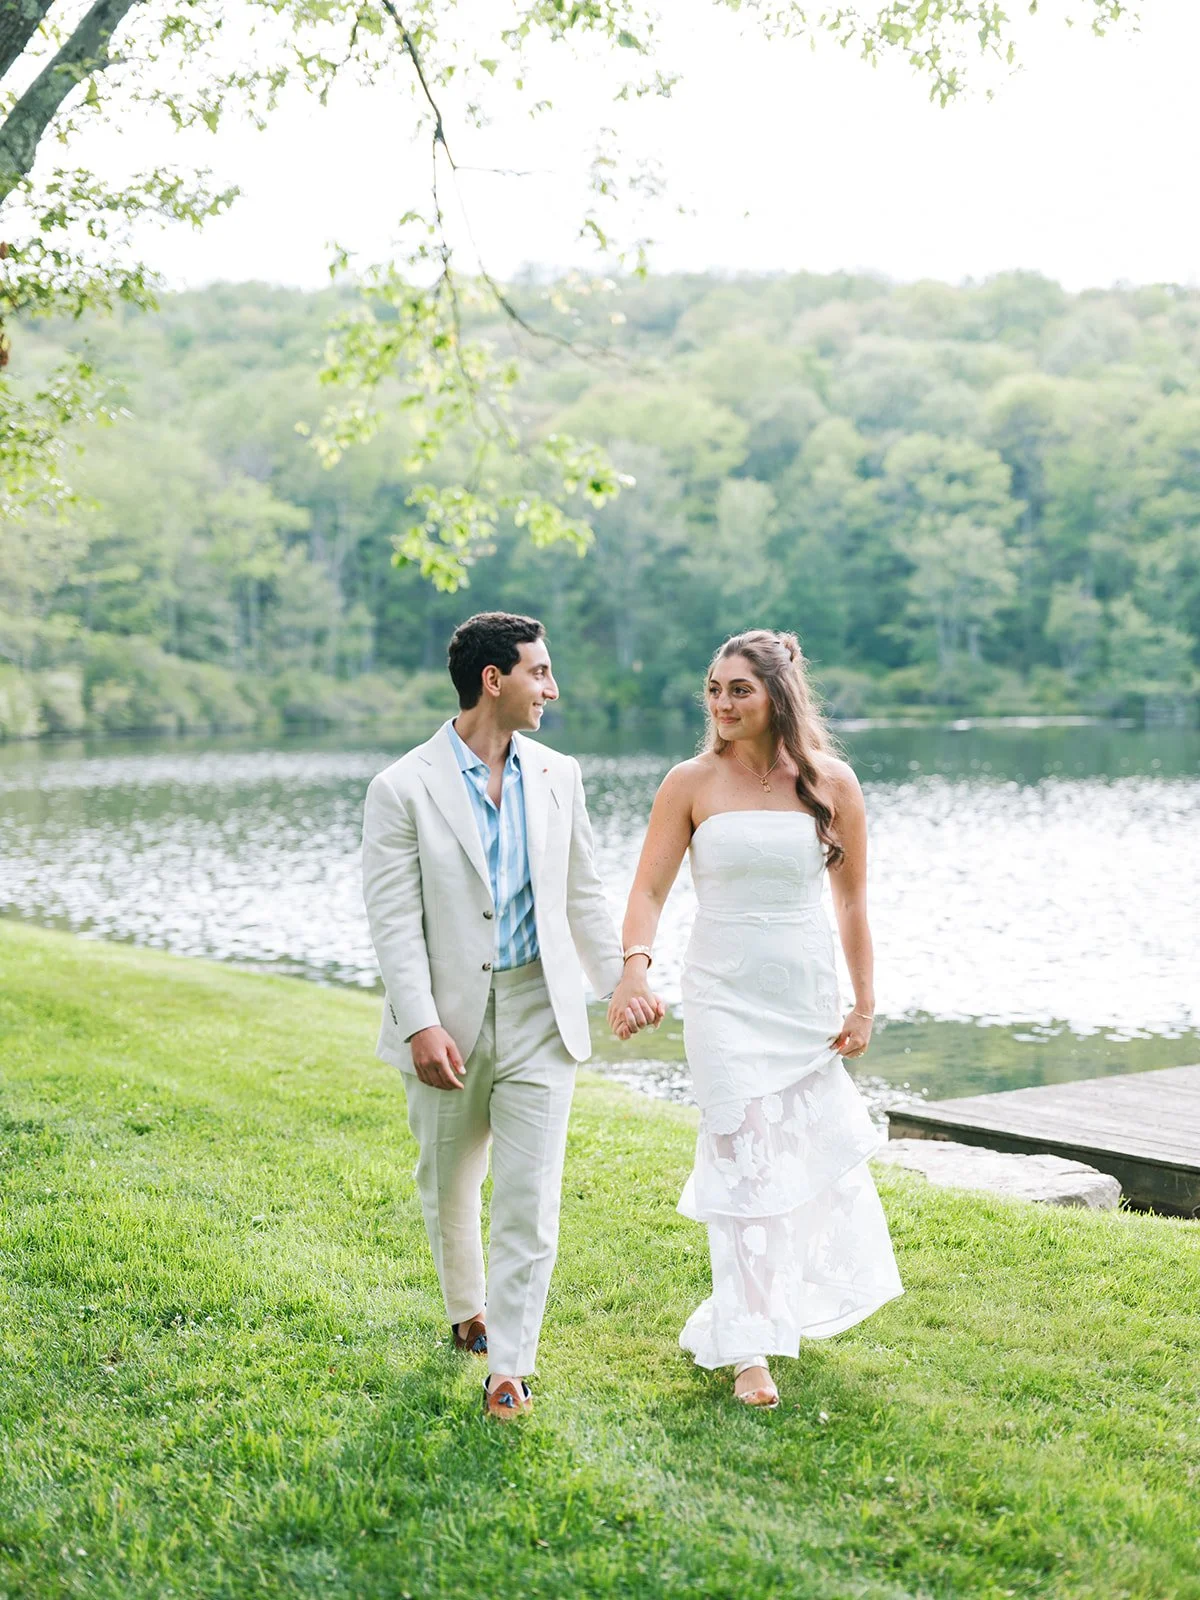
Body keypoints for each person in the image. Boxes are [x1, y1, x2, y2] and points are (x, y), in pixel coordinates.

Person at [361, 611, 662, 1421]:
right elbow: (393, 921)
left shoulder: (559, 774)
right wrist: (421, 1023)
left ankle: (509, 1368)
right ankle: (468, 1309)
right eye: (539, 672)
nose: (551, 689)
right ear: (493, 679)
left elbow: (582, 892)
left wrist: (619, 983)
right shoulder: (401, 787)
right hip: (448, 1019)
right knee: (449, 1181)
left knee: (530, 1197)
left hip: (540, 1010)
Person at [609, 629, 902, 1408]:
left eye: (739, 689)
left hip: (801, 999)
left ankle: (774, 1310)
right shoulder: (689, 782)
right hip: (721, 1000)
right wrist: (635, 965)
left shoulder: (832, 783)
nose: (722, 703)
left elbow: (852, 902)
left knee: (796, 1163)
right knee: (741, 1159)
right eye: (714, 688)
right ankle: (750, 1352)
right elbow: (648, 891)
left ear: (778, 694)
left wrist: (864, 1002)